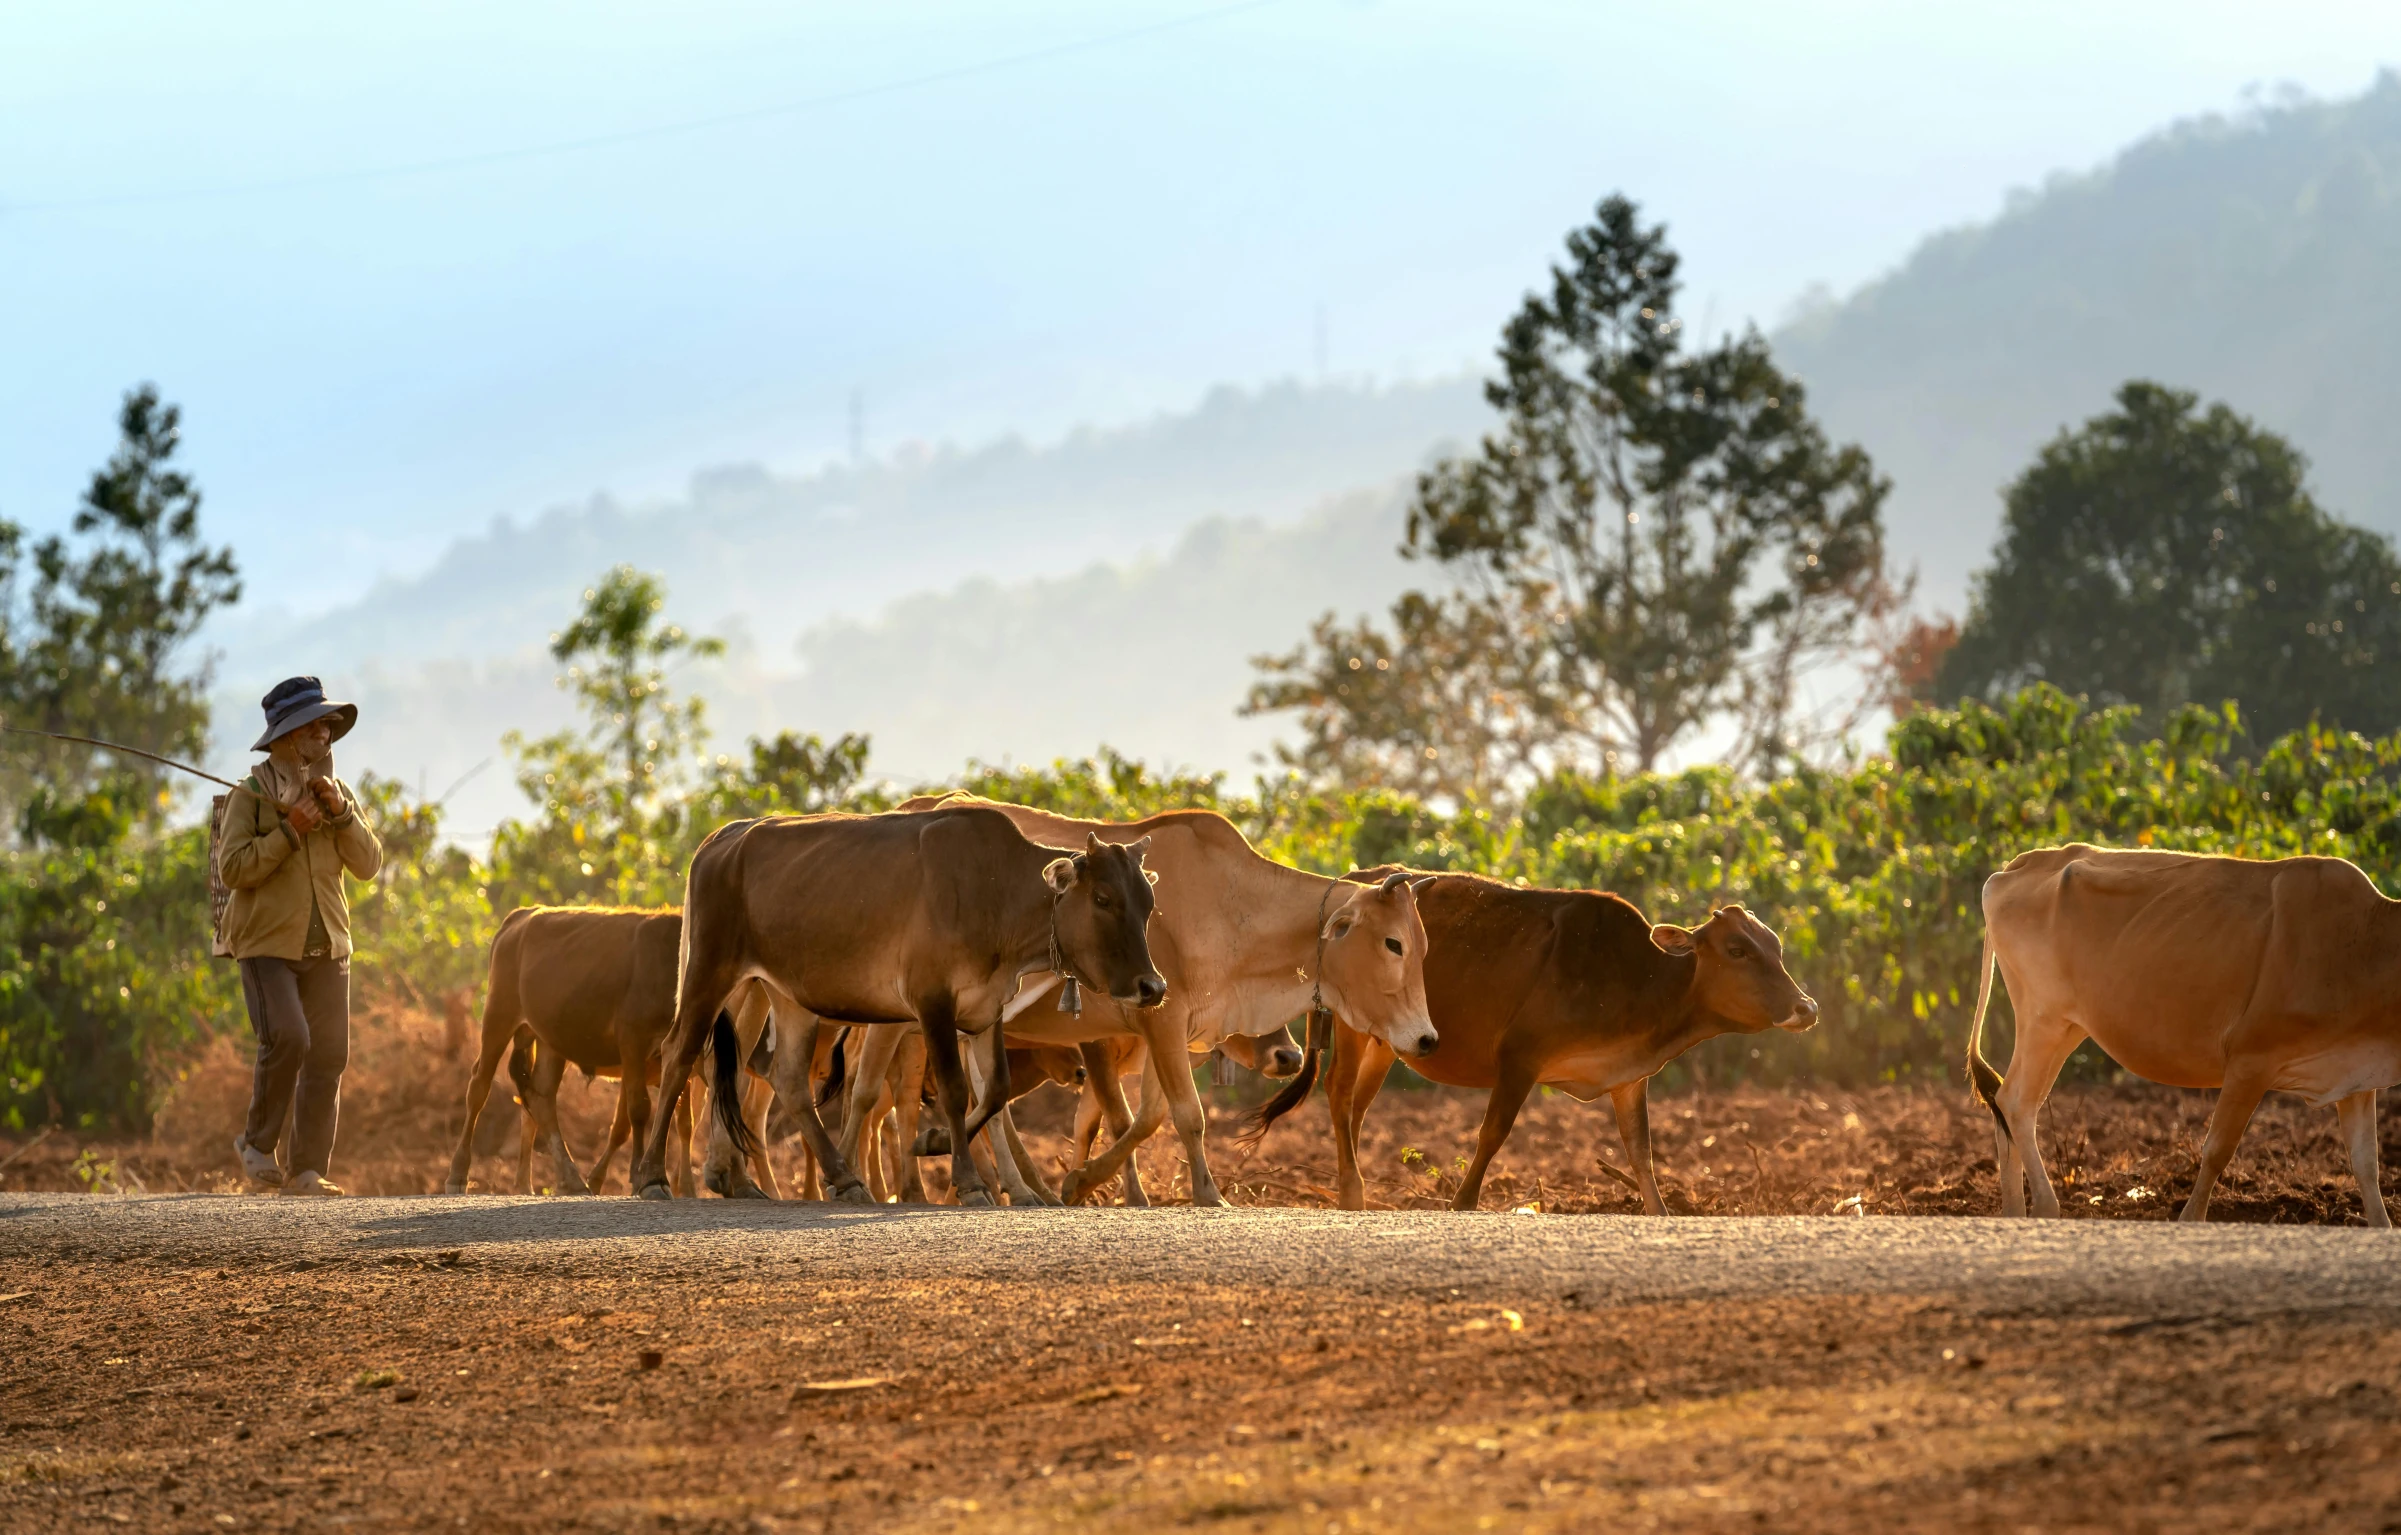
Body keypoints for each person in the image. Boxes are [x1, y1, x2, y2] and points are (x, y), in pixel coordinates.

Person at [217, 677, 383, 1195]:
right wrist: (289, 833)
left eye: (328, 726)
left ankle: (306, 1169)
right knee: (289, 1036)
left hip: (329, 944)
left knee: (329, 1053)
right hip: (266, 945)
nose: (325, 736)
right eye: (315, 727)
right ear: (287, 737)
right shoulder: (249, 798)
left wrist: (340, 814)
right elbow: (234, 869)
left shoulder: (339, 797)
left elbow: (370, 864)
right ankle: (256, 1144)